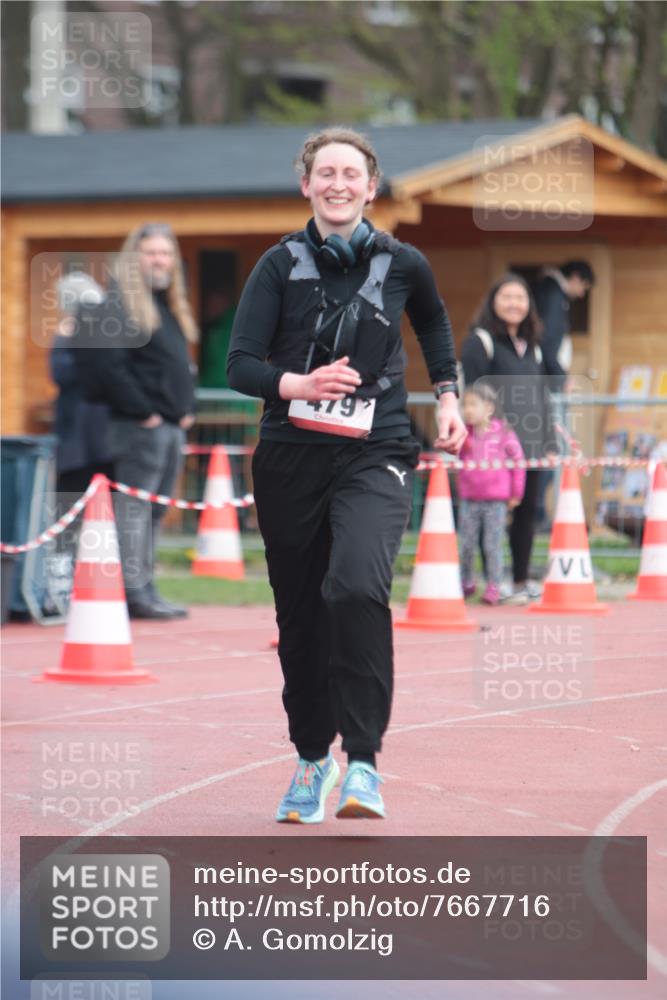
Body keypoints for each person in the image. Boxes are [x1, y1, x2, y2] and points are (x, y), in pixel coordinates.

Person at [227, 127, 466, 823]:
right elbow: (239, 365)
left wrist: (447, 392)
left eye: (350, 173)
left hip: (377, 450)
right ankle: (310, 760)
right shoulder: (277, 266)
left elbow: (434, 322)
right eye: (324, 172)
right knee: (300, 616)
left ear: (370, 185)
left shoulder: (402, 262)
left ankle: (362, 762)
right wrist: (298, 384)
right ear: (305, 184)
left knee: (356, 584)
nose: (337, 183)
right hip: (289, 457)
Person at [74, 223, 198, 620]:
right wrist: (144, 412)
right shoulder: (116, 305)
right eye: (151, 253)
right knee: (135, 510)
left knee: (155, 511)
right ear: (133, 258)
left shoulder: (164, 305)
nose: (160, 260)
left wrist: (183, 410)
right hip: (139, 428)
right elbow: (108, 369)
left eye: (166, 253)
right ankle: (131, 591)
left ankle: (145, 587)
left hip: (169, 428)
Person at [461, 274, 558, 604]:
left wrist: (550, 442)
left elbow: (543, 396)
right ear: (493, 301)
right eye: (507, 297)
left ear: (529, 305)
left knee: (528, 512)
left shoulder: (535, 347)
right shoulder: (480, 341)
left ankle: (519, 580)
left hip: (530, 446)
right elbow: (471, 395)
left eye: (521, 297)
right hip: (492, 448)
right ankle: (492, 583)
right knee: (492, 517)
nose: (514, 304)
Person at [50, 272, 114, 508]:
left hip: (92, 434)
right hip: (79, 435)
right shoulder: (72, 333)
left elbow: (64, 373)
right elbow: (62, 374)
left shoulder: (81, 334)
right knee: (73, 497)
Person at [458, 384, 526, 605]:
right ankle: (467, 581)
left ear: (488, 407)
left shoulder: (504, 433)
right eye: (464, 405)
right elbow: (457, 457)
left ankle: (494, 585)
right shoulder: (463, 435)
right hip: (469, 498)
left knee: (492, 545)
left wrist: (516, 493)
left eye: (472, 404)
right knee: (466, 544)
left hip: (496, 500)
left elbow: (518, 463)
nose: (467, 410)